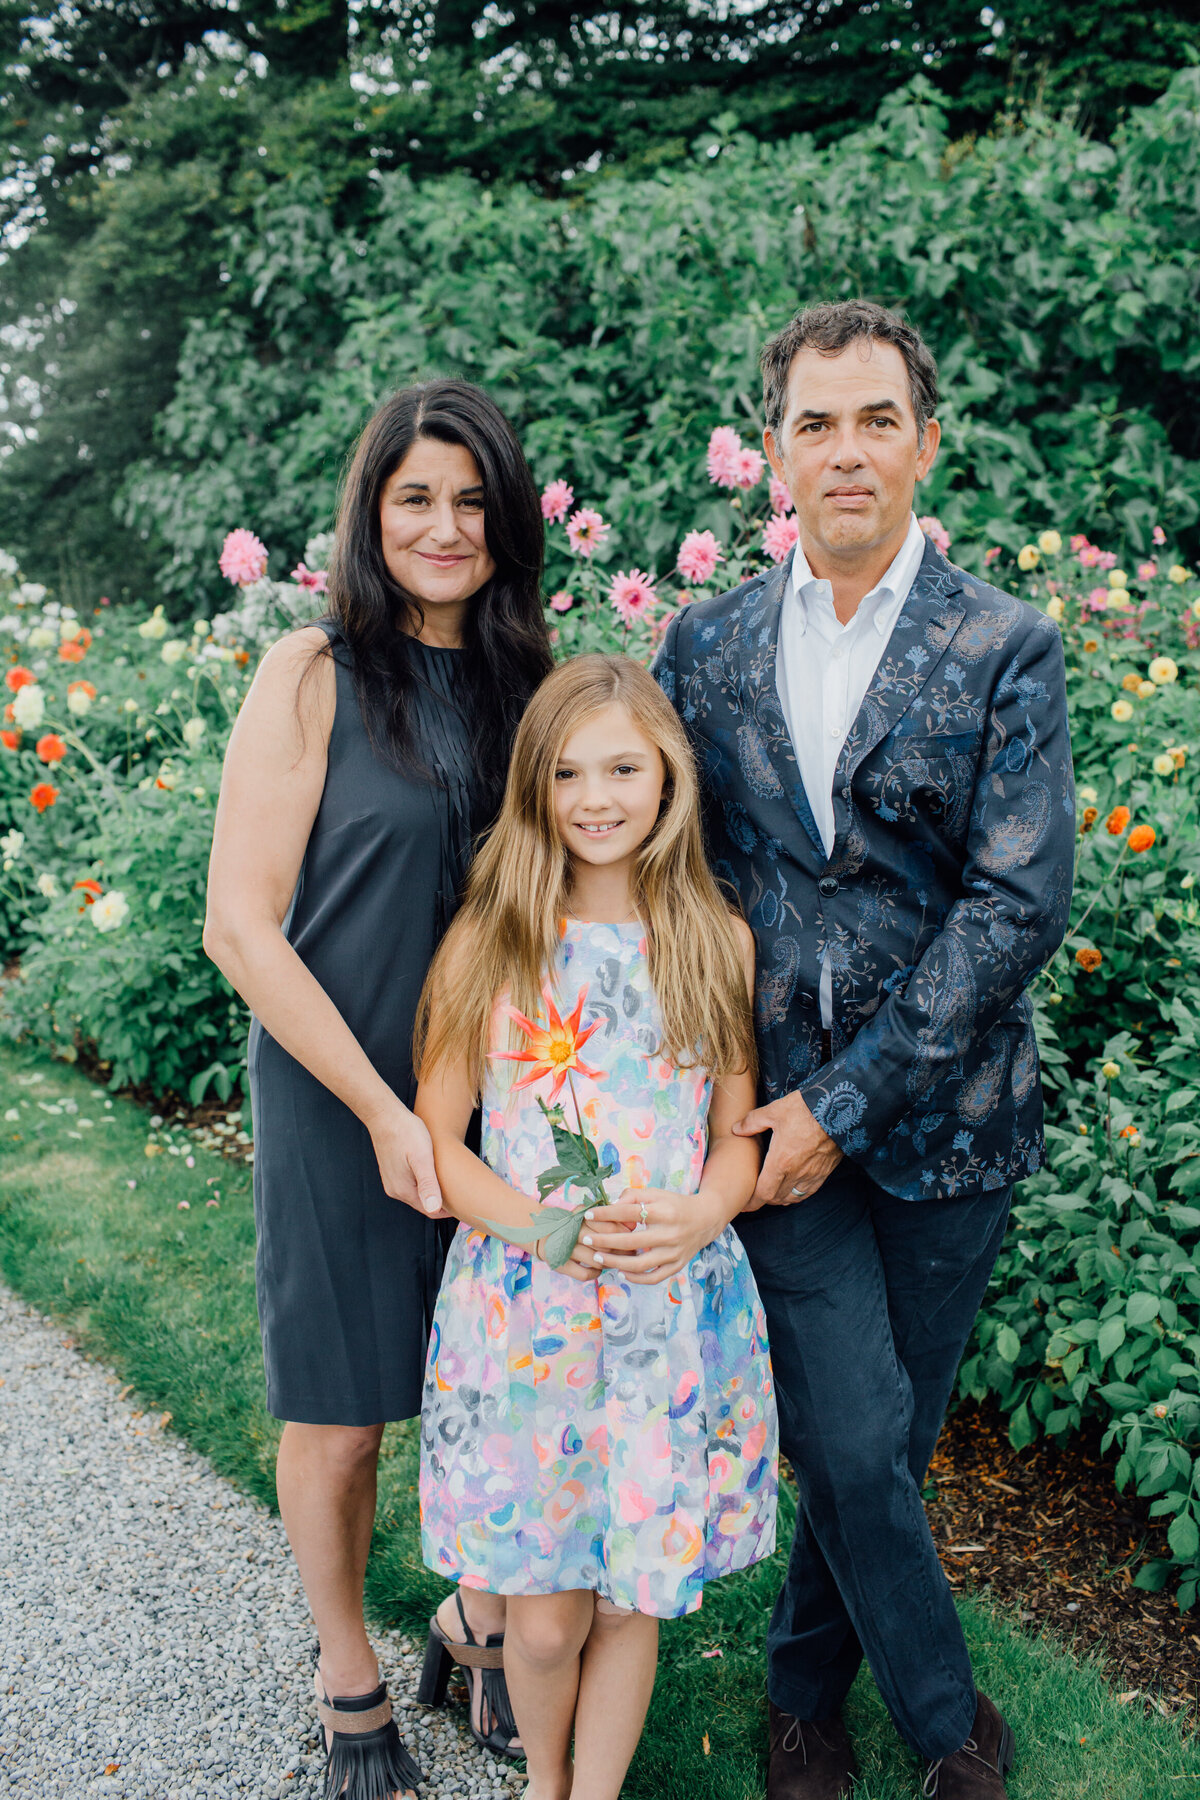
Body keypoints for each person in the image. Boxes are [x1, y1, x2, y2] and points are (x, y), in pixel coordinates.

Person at [652, 300, 1075, 1800]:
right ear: (776, 453)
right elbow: (677, 881)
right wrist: (738, 1104)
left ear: (923, 442)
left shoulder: (1006, 647)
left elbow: (1017, 903)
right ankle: (954, 1732)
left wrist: (849, 1098)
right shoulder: (699, 647)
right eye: (815, 423)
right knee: (842, 1435)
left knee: (875, 1450)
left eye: (875, 420)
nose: (846, 450)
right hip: (767, 1130)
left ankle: (801, 1695)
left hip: (951, 1123)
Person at [203, 379, 553, 1798]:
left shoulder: (536, 687)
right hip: (339, 1096)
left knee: (508, 1394)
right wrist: (388, 1113)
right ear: (371, 510)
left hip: (505, 1108)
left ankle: (472, 1623)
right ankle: (352, 1679)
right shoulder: (312, 672)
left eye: (473, 499)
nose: (446, 525)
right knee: (344, 1414)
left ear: (508, 519)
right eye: (416, 496)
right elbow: (240, 923)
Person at [412, 653, 778, 1800]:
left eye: (624, 767)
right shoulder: (497, 940)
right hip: (528, 1313)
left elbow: (735, 1136)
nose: (597, 797)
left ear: (668, 775)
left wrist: (705, 1211)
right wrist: (541, 1229)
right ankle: (541, 1780)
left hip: (666, 1316)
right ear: (536, 787)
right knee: (549, 1610)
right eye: (567, 773)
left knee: (632, 1595)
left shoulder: (714, 940)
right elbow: (438, 1140)